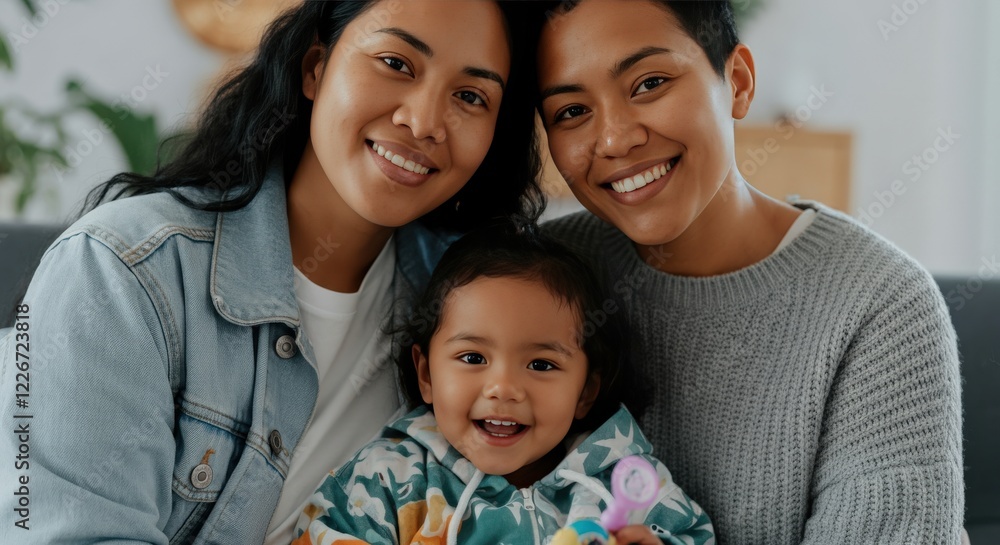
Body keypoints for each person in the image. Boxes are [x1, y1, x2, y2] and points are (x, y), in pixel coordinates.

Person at [0, 1, 544, 543]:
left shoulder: (475, 309)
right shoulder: (121, 269)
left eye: (471, 96)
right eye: (396, 63)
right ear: (315, 67)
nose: (423, 122)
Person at [534, 1, 963, 544]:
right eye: (570, 112)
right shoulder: (540, 279)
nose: (616, 139)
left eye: (649, 83)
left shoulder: (881, 304)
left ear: (736, 82)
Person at [291, 220, 714, 545]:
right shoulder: (387, 480)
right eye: (473, 358)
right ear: (426, 375)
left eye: (542, 365)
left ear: (585, 390)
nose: (504, 388)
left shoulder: (628, 484)